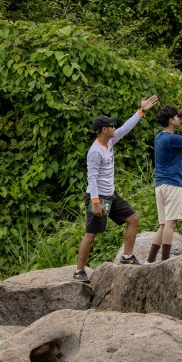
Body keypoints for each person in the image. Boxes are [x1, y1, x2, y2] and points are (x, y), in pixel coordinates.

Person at [73, 94, 158, 283]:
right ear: (104, 129)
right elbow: (92, 178)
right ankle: (79, 271)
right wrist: (95, 203)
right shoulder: (95, 151)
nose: (114, 128)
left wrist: (141, 110)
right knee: (91, 233)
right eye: (111, 126)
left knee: (133, 218)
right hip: (98, 197)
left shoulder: (109, 142)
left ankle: (127, 257)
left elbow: (126, 128)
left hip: (111, 195)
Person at [146, 104, 182, 262]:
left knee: (163, 224)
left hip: (161, 185)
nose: (179, 118)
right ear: (171, 120)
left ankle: (150, 260)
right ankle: (165, 261)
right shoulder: (171, 139)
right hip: (173, 184)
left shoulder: (160, 137)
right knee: (170, 225)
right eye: (177, 117)